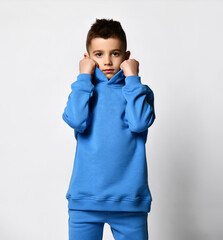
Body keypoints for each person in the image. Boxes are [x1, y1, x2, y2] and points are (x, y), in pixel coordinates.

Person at [62, 18, 156, 240]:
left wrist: (133, 79)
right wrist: (84, 77)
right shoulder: (82, 90)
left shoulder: (139, 91)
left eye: (115, 53)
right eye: (99, 54)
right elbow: (76, 120)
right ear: (88, 58)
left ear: (126, 56)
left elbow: (140, 123)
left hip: (130, 202)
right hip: (85, 200)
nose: (107, 61)